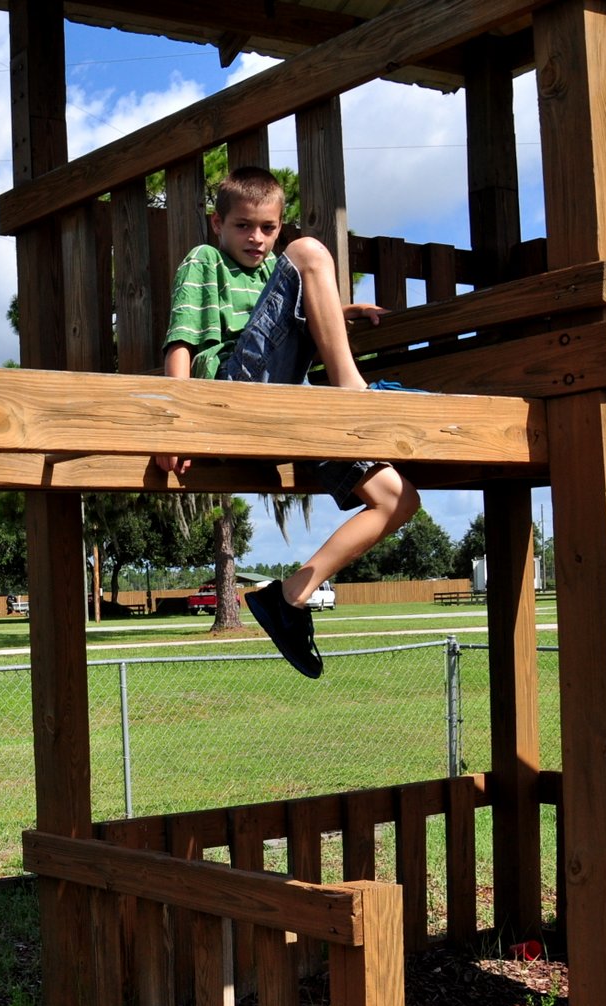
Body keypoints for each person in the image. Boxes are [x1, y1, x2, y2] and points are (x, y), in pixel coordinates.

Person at [156, 165, 422, 678]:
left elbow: (278, 321)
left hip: (286, 405)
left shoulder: (270, 274)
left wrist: (337, 310)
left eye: (268, 228)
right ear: (217, 224)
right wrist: (176, 424)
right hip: (230, 397)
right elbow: (181, 342)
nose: (256, 239)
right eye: (243, 226)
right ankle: (355, 394)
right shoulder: (205, 260)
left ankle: (289, 597)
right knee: (311, 253)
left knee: (398, 499)